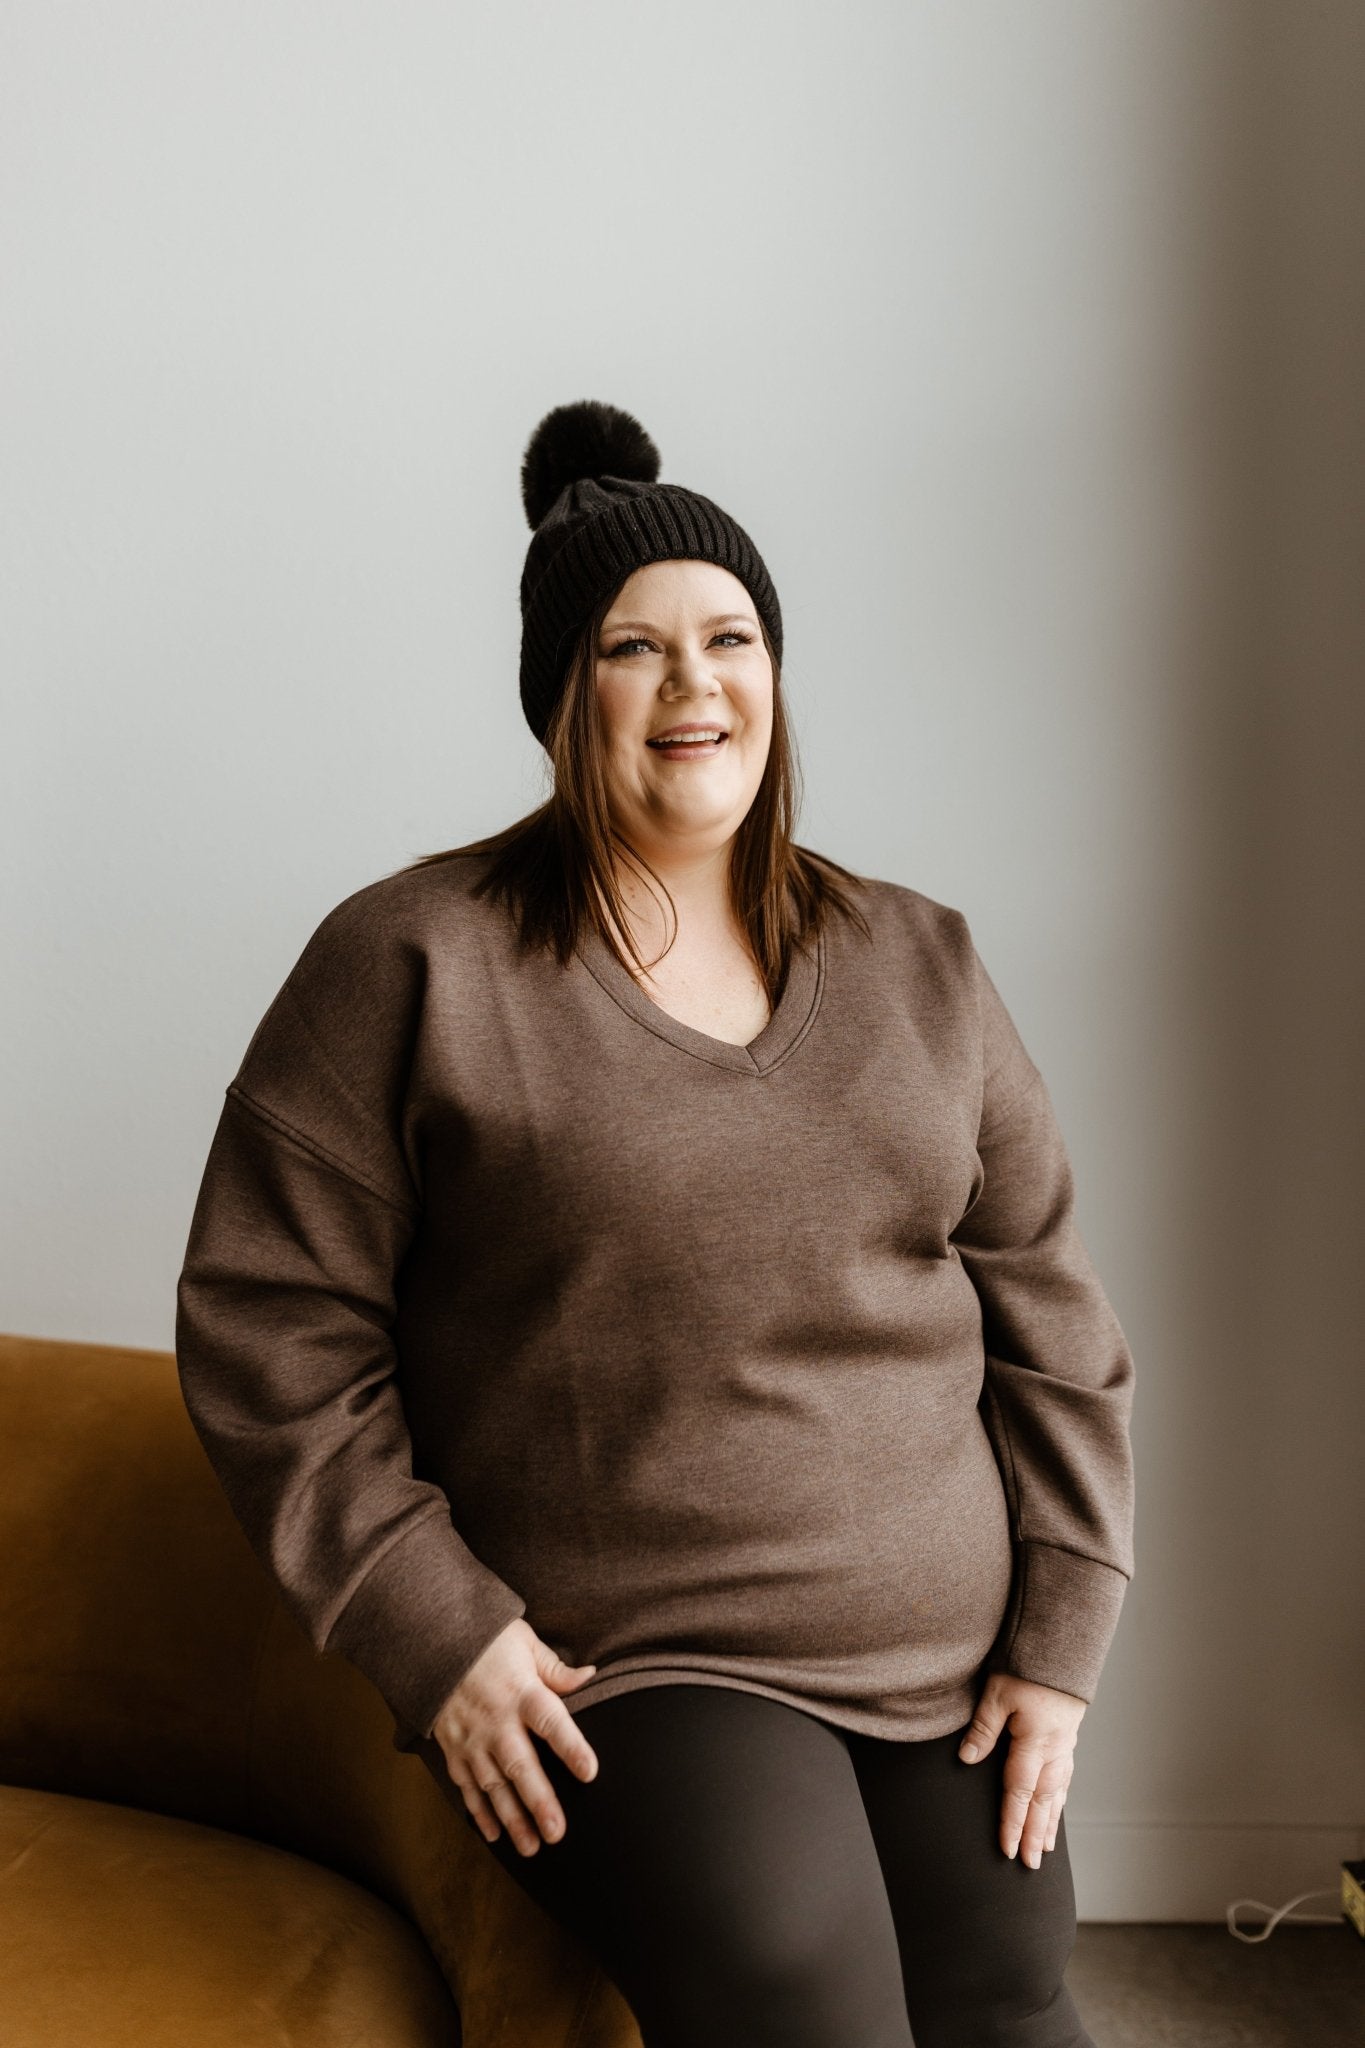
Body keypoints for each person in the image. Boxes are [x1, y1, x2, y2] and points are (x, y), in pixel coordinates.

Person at [176, 397, 1136, 2047]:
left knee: (1008, 1982)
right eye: (635, 648)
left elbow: (1050, 1319)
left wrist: (1058, 1639)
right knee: (796, 1977)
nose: (695, 684)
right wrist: (438, 1633)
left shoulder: (922, 961)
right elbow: (270, 1328)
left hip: (941, 1659)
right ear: (566, 695)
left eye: (729, 638)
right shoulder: (415, 960)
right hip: (630, 1660)